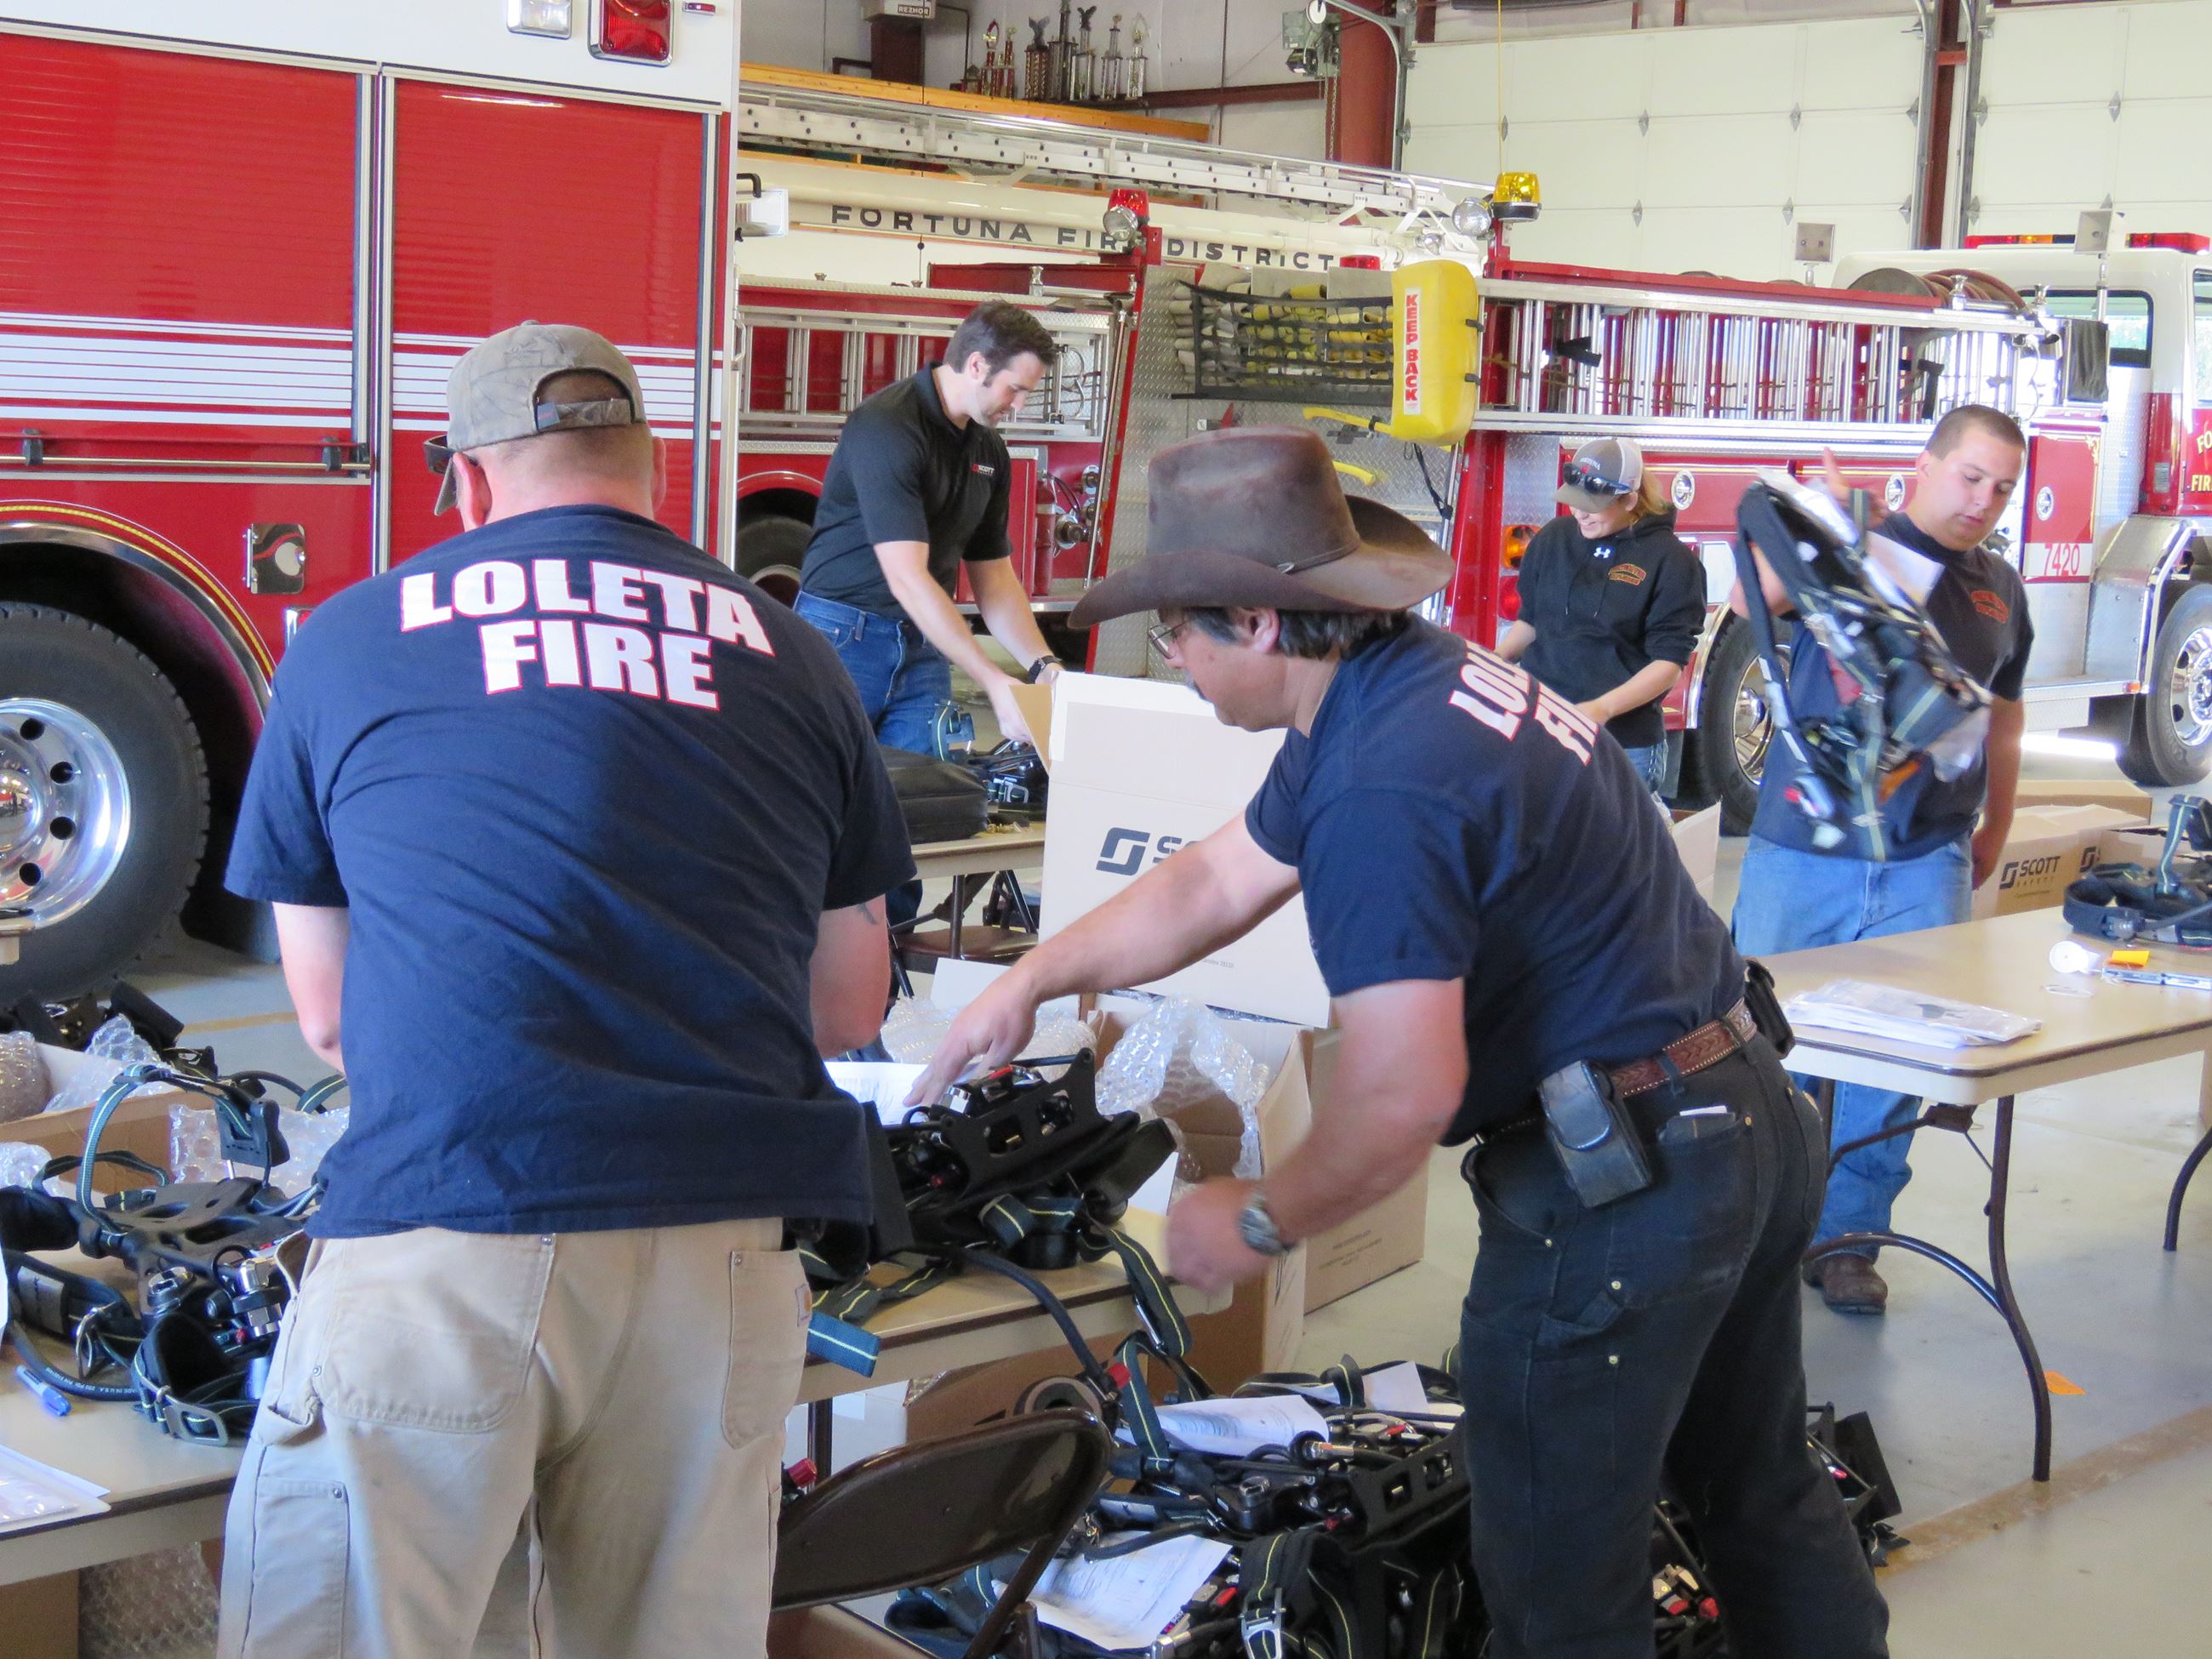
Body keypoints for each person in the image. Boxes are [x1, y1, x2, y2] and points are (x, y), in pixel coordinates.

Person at [912, 427, 1888, 1659]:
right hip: (1732, 1112)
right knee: (1757, 1494)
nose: (1175, 660)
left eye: (1176, 634)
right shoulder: (1398, 678)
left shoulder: (1386, 782)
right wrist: (1035, 976)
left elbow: (1397, 1094)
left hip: (1627, 1187)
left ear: (1257, 622)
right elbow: (1217, 877)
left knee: (1558, 1580)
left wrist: (1255, 1217)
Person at [216, 322, 914, 1659]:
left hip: (451, 1216)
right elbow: (845, 1007)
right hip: (721, 1250)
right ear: (653, 470)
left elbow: (329, 1016)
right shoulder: (797, 654)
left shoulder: (348, 638)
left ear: (468, 482)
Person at [1730, 405, 2032, 1318]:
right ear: (1924, 466)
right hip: (1801, 852)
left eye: (2002, 488)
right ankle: (1752, 1237)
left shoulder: (2000, 588)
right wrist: (1829, 523)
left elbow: (2003, 715)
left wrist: (1996, 823)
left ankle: (1847, 1242)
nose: (1982, 501)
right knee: (1758, 1051)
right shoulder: (1854, 543)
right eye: (1970, 477)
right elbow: (1749, 604)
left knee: (1893, 1066)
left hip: (1924, 857)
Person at [794, 299, 1069, 760]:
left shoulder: (988, 450)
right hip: (843, 638)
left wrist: (1045, 667)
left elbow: (994, 576)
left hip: (925, 641)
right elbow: (907, 577)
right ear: (977, 366)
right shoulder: (888, 425)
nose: (1020, 406)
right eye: (1016, 389)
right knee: (820, 787)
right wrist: (992, 679)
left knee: (926, 792)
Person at [1496, 436, 1704, 799]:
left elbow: (1668, 664)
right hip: (1541, 723)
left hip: (1620, 741)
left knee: (1605, 831)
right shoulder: (1554, 539)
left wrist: (1601, 709)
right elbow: (1531, 623)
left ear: (1629, 500)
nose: (1580, 514)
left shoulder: (1672, 562)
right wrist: (1493, 663)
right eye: (1575, 502)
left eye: (1593, 505)